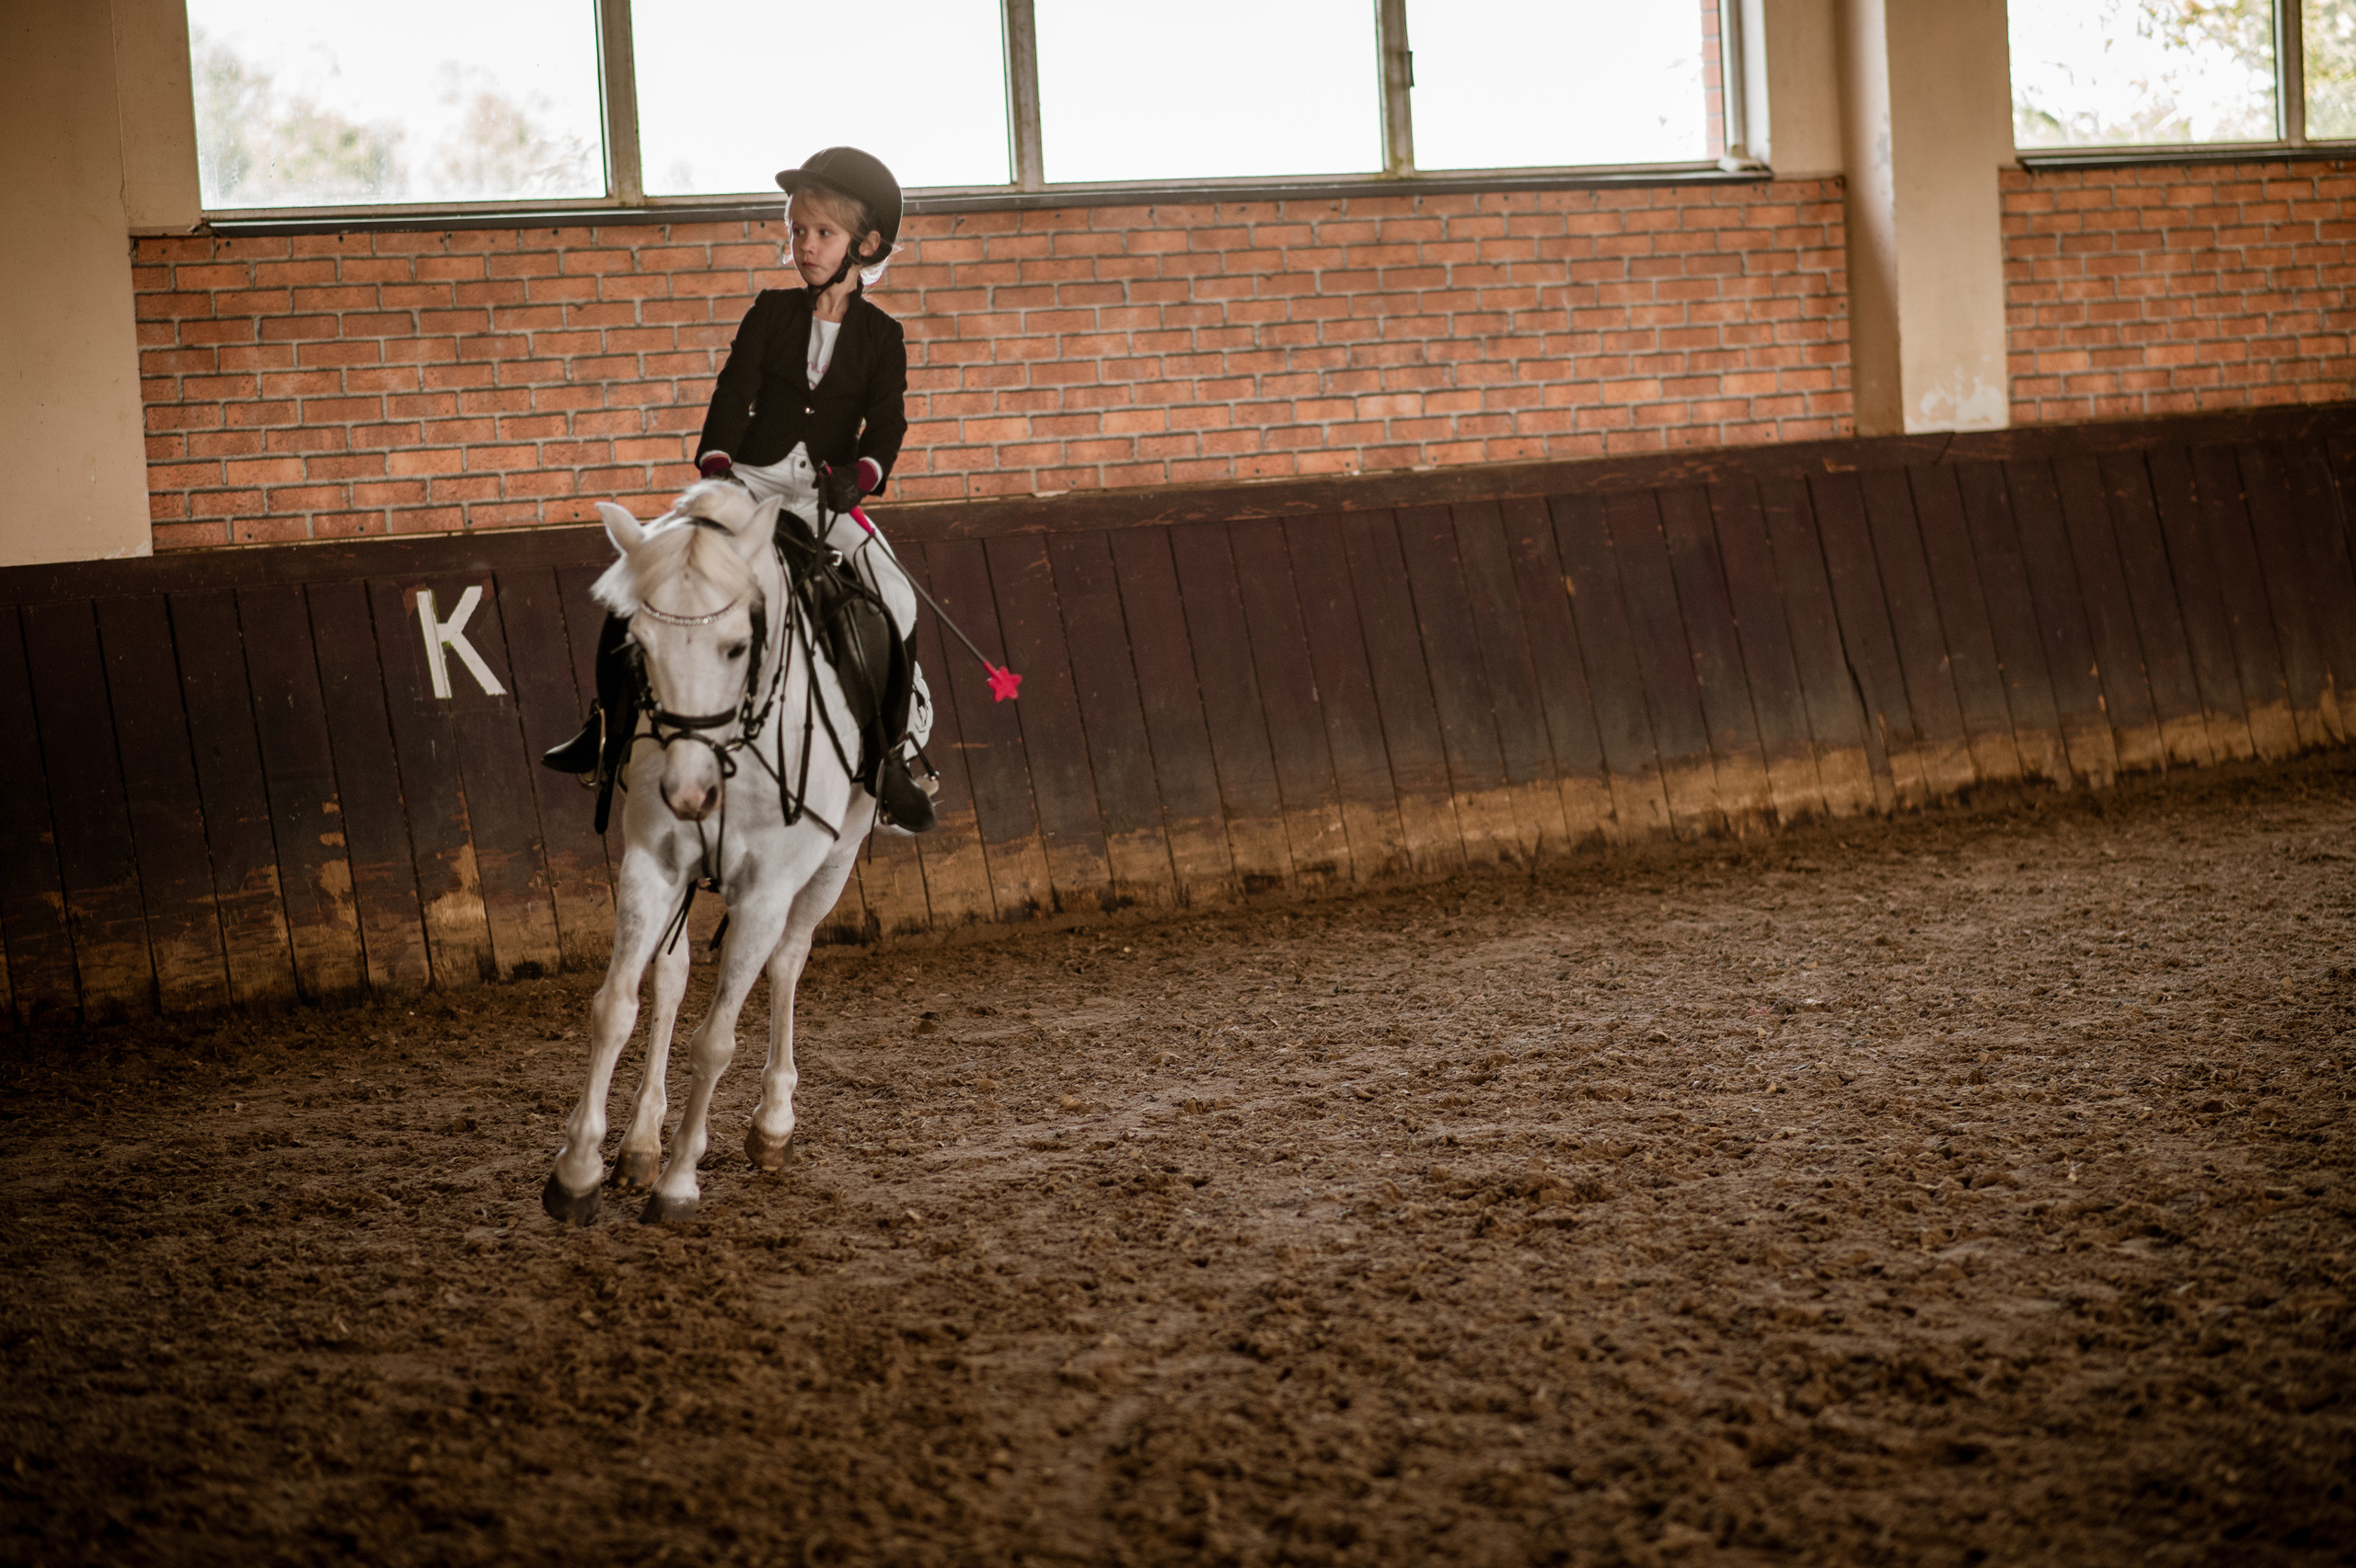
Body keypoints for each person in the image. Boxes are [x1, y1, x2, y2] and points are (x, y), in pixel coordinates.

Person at [544, 146, 937, 834]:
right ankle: (602, 728)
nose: (804, 246)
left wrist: (863, 476)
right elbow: (734, 393)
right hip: (747, 481)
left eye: (822, 234)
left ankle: (887, 762)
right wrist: (718, 463)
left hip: (825, 496)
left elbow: (890, 423)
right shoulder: (770, 313)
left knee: (898, 599)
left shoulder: (883, 336)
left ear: (865, 245)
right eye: (797, 232)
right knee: (647, 570)